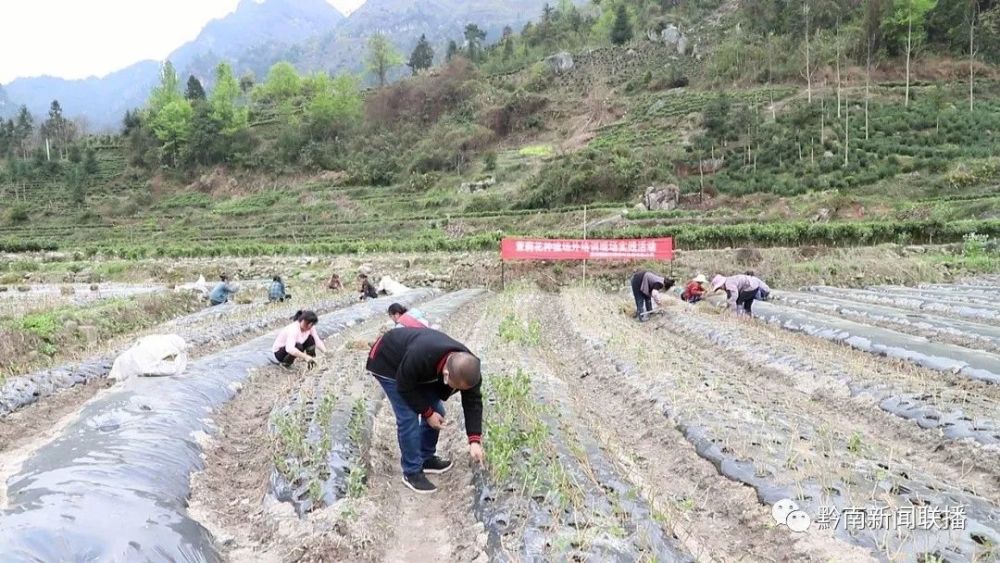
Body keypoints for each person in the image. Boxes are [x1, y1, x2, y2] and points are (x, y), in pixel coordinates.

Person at [365, 328, 484, 494]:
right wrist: (427, 413)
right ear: (446, 374)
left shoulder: (470, 369)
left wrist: (474, 440)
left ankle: (425, 458)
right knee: (408, 416)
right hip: (388, 362)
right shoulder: (420, 355)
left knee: (438, 411)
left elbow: (473, 402)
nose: (456, 391)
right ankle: (412, 472)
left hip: (419, 370)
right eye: (455, 388)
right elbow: (404, 386)